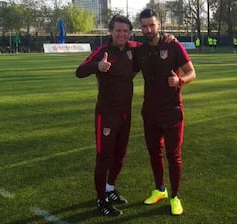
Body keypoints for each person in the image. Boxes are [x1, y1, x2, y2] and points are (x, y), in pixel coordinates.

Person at [75, 15, 176, 217]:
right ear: (110, 32)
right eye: (118, 30)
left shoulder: (133, 49)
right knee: (104, 157)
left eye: (125, 31)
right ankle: (101, 198)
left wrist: (167, 38)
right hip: (106, 114)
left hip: (125, 113)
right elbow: (79, 71)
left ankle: (110, 189)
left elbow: (152, 44)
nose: (121, 34)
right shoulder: (102, 51)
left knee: (120, 154)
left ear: (129, 33)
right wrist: (97, 66)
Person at [133, 8, 197, 216]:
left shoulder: (173, 45)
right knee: (154, 153)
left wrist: (180, 81)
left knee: (173, 155)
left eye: (152, 25)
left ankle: (175, 196)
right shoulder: (140, 50)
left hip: (172, 111)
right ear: (141, 28)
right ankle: (160, 189)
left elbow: (191, 72)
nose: (149, 29)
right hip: (149, 112)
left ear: (159, 25)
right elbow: (126, 62)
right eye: (144, 26)